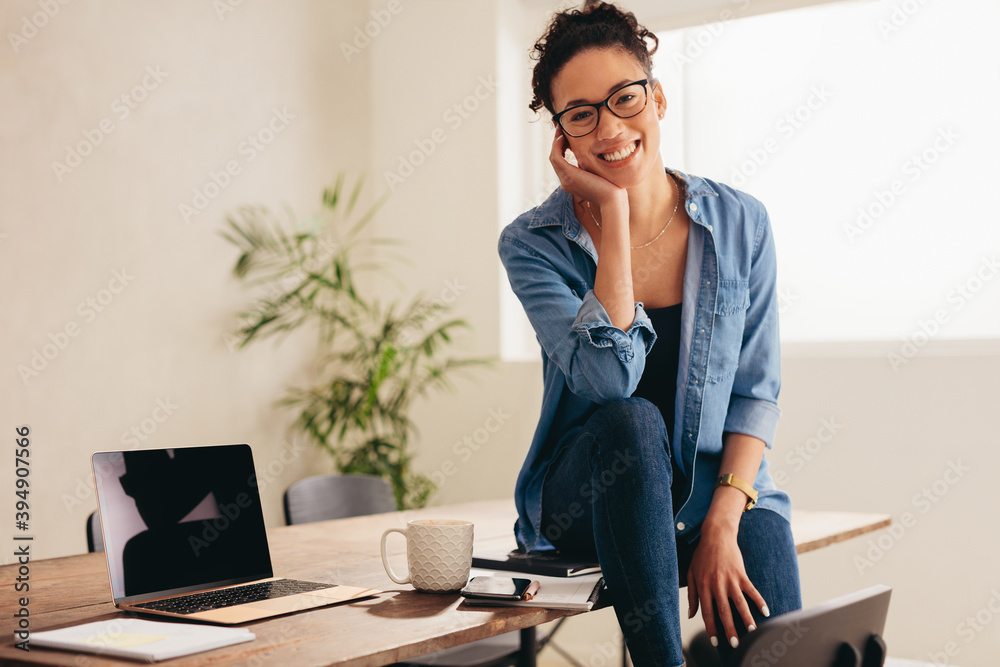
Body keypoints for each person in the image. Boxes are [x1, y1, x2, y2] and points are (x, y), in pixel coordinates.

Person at [497, 3, 803, 665]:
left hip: (716, 487)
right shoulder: (532, 244)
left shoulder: (742, 223)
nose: (609, 128)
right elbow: (609, 384)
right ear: (562, 138)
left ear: (657, 97)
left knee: (787, 651)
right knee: (633, 420)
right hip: (589, 489)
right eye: (582, 114)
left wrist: (723, 520)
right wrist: (611, 217)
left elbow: (756, 392)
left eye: (625, 99)